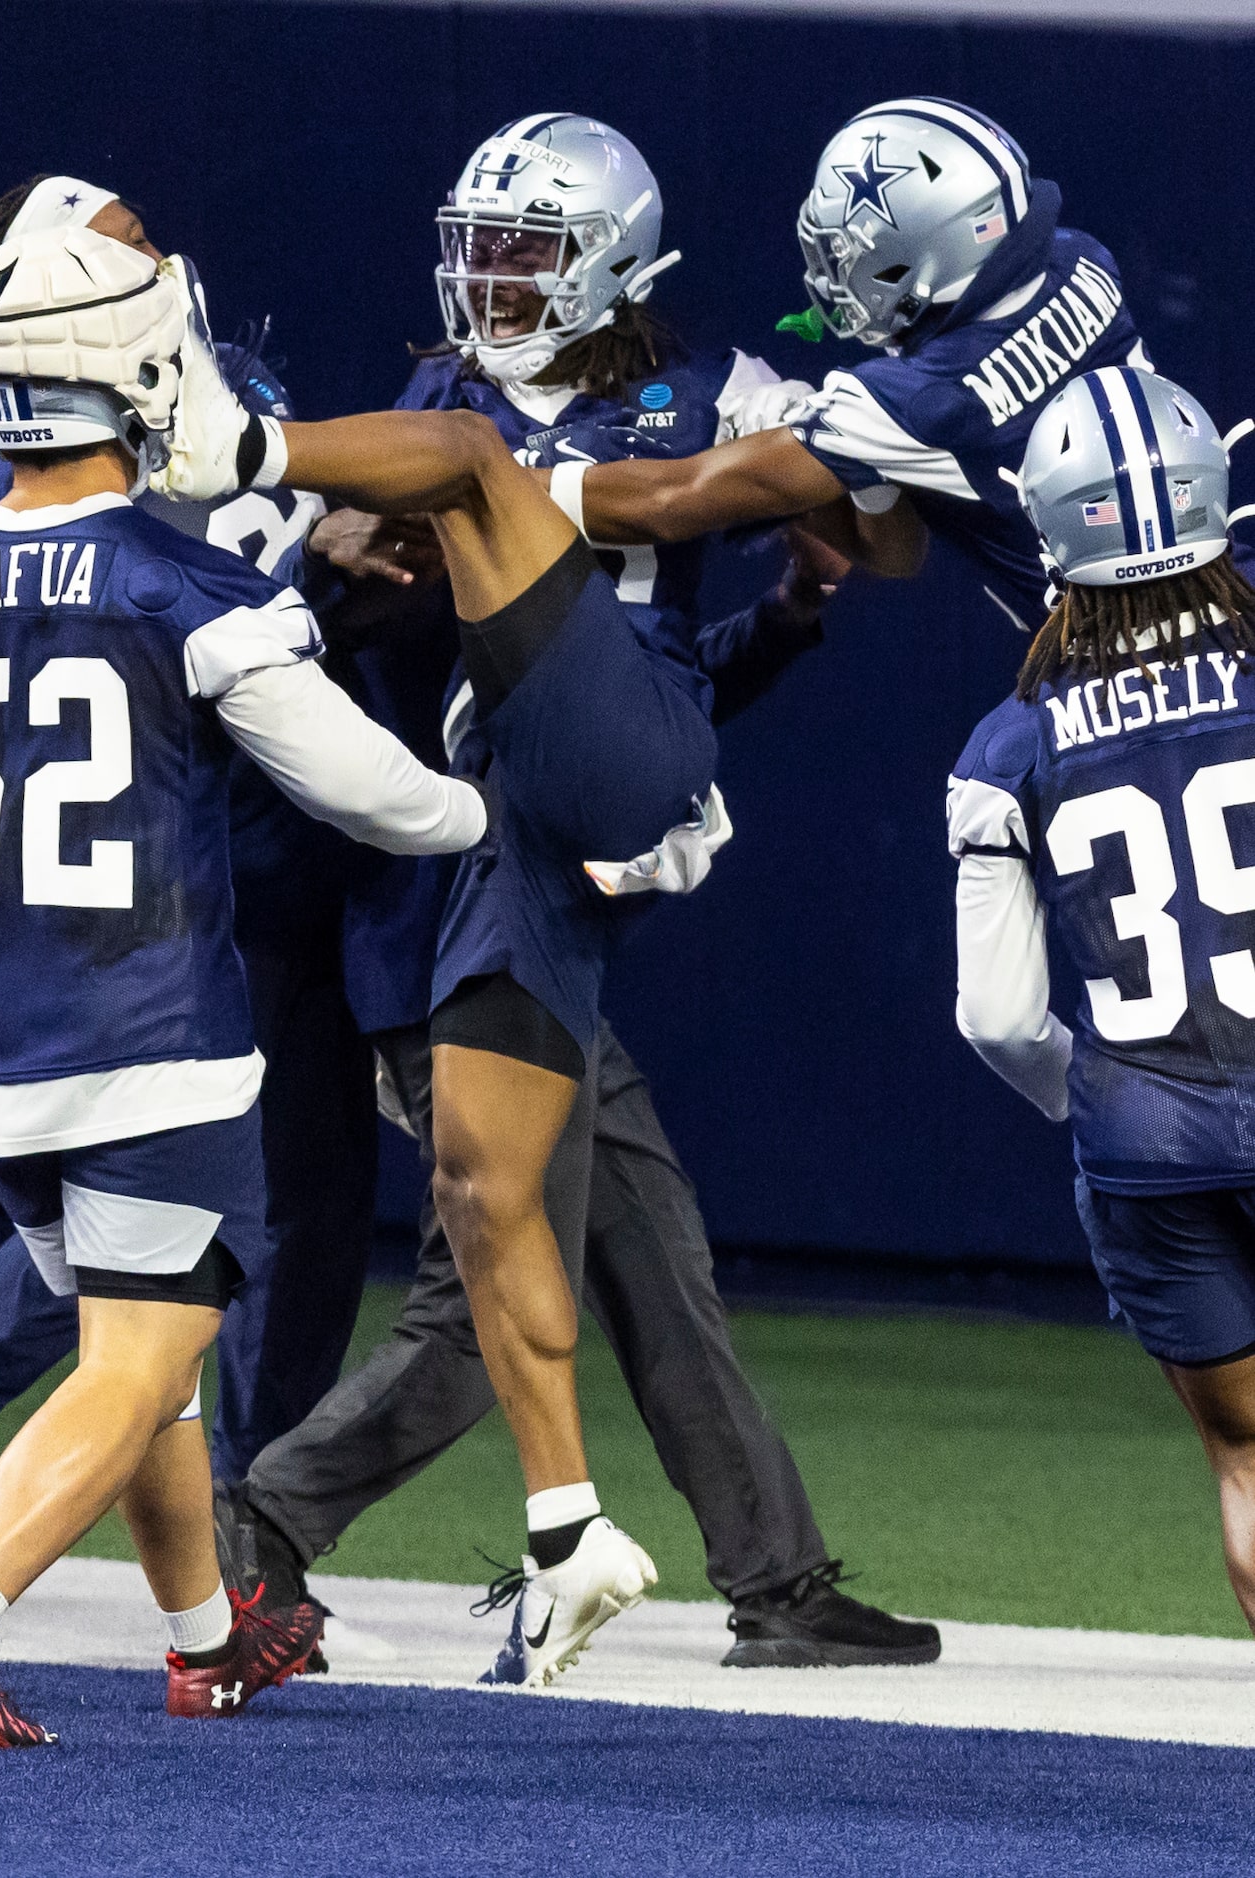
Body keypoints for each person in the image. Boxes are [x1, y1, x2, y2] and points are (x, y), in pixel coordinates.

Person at [152, 105, 934, 1676]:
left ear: (612, 266)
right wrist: (340, 576)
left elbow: (859, 547)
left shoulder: (712, 396)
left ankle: (775, 1580)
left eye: (525, 251)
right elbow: (331, 647)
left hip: (579, 840)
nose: (493, 280)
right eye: (476, 249)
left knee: (646, 1241)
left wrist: (788, 603)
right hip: (450, 888)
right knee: (489, 1275)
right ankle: (267, 1517)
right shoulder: (437, 413)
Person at [0, 224, 485, 1745]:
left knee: (132, 1348)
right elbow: (373, 793)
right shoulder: (186, 580)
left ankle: (207, 1638)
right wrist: (498, 814)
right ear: (144, 371)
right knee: (148, 1343)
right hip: (150, 1035)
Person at [947, 363, 1255, 1629]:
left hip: (1148, 1142)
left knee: (1245, 1460)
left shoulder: (1009, 744)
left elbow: (998, 1017)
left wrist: (1108, 1096)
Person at [540, 98, 1147, 629]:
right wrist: (864, 467)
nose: (832, 277)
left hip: (1124, 669)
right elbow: (897, 550)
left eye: (847, 253)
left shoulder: (914, 402)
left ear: (934, 250)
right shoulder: (1083, 261)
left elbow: (674, 499)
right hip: (1221, 588)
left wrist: (497, 479)